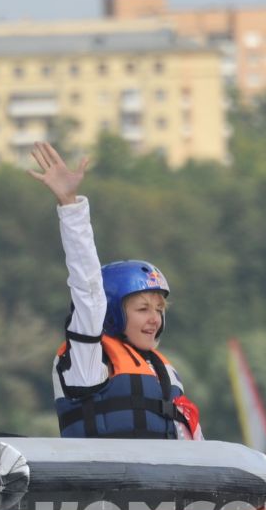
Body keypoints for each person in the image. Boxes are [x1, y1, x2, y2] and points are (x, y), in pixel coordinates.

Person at [27, 141, 201, 440]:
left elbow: (193, 444)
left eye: (159, 310)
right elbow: (87, 290)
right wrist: (70, 205)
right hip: (104, 483)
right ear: (112, 313)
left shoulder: (165, 372)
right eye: (143, 309)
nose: (155, 319)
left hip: (158, 484)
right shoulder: (89, 361)